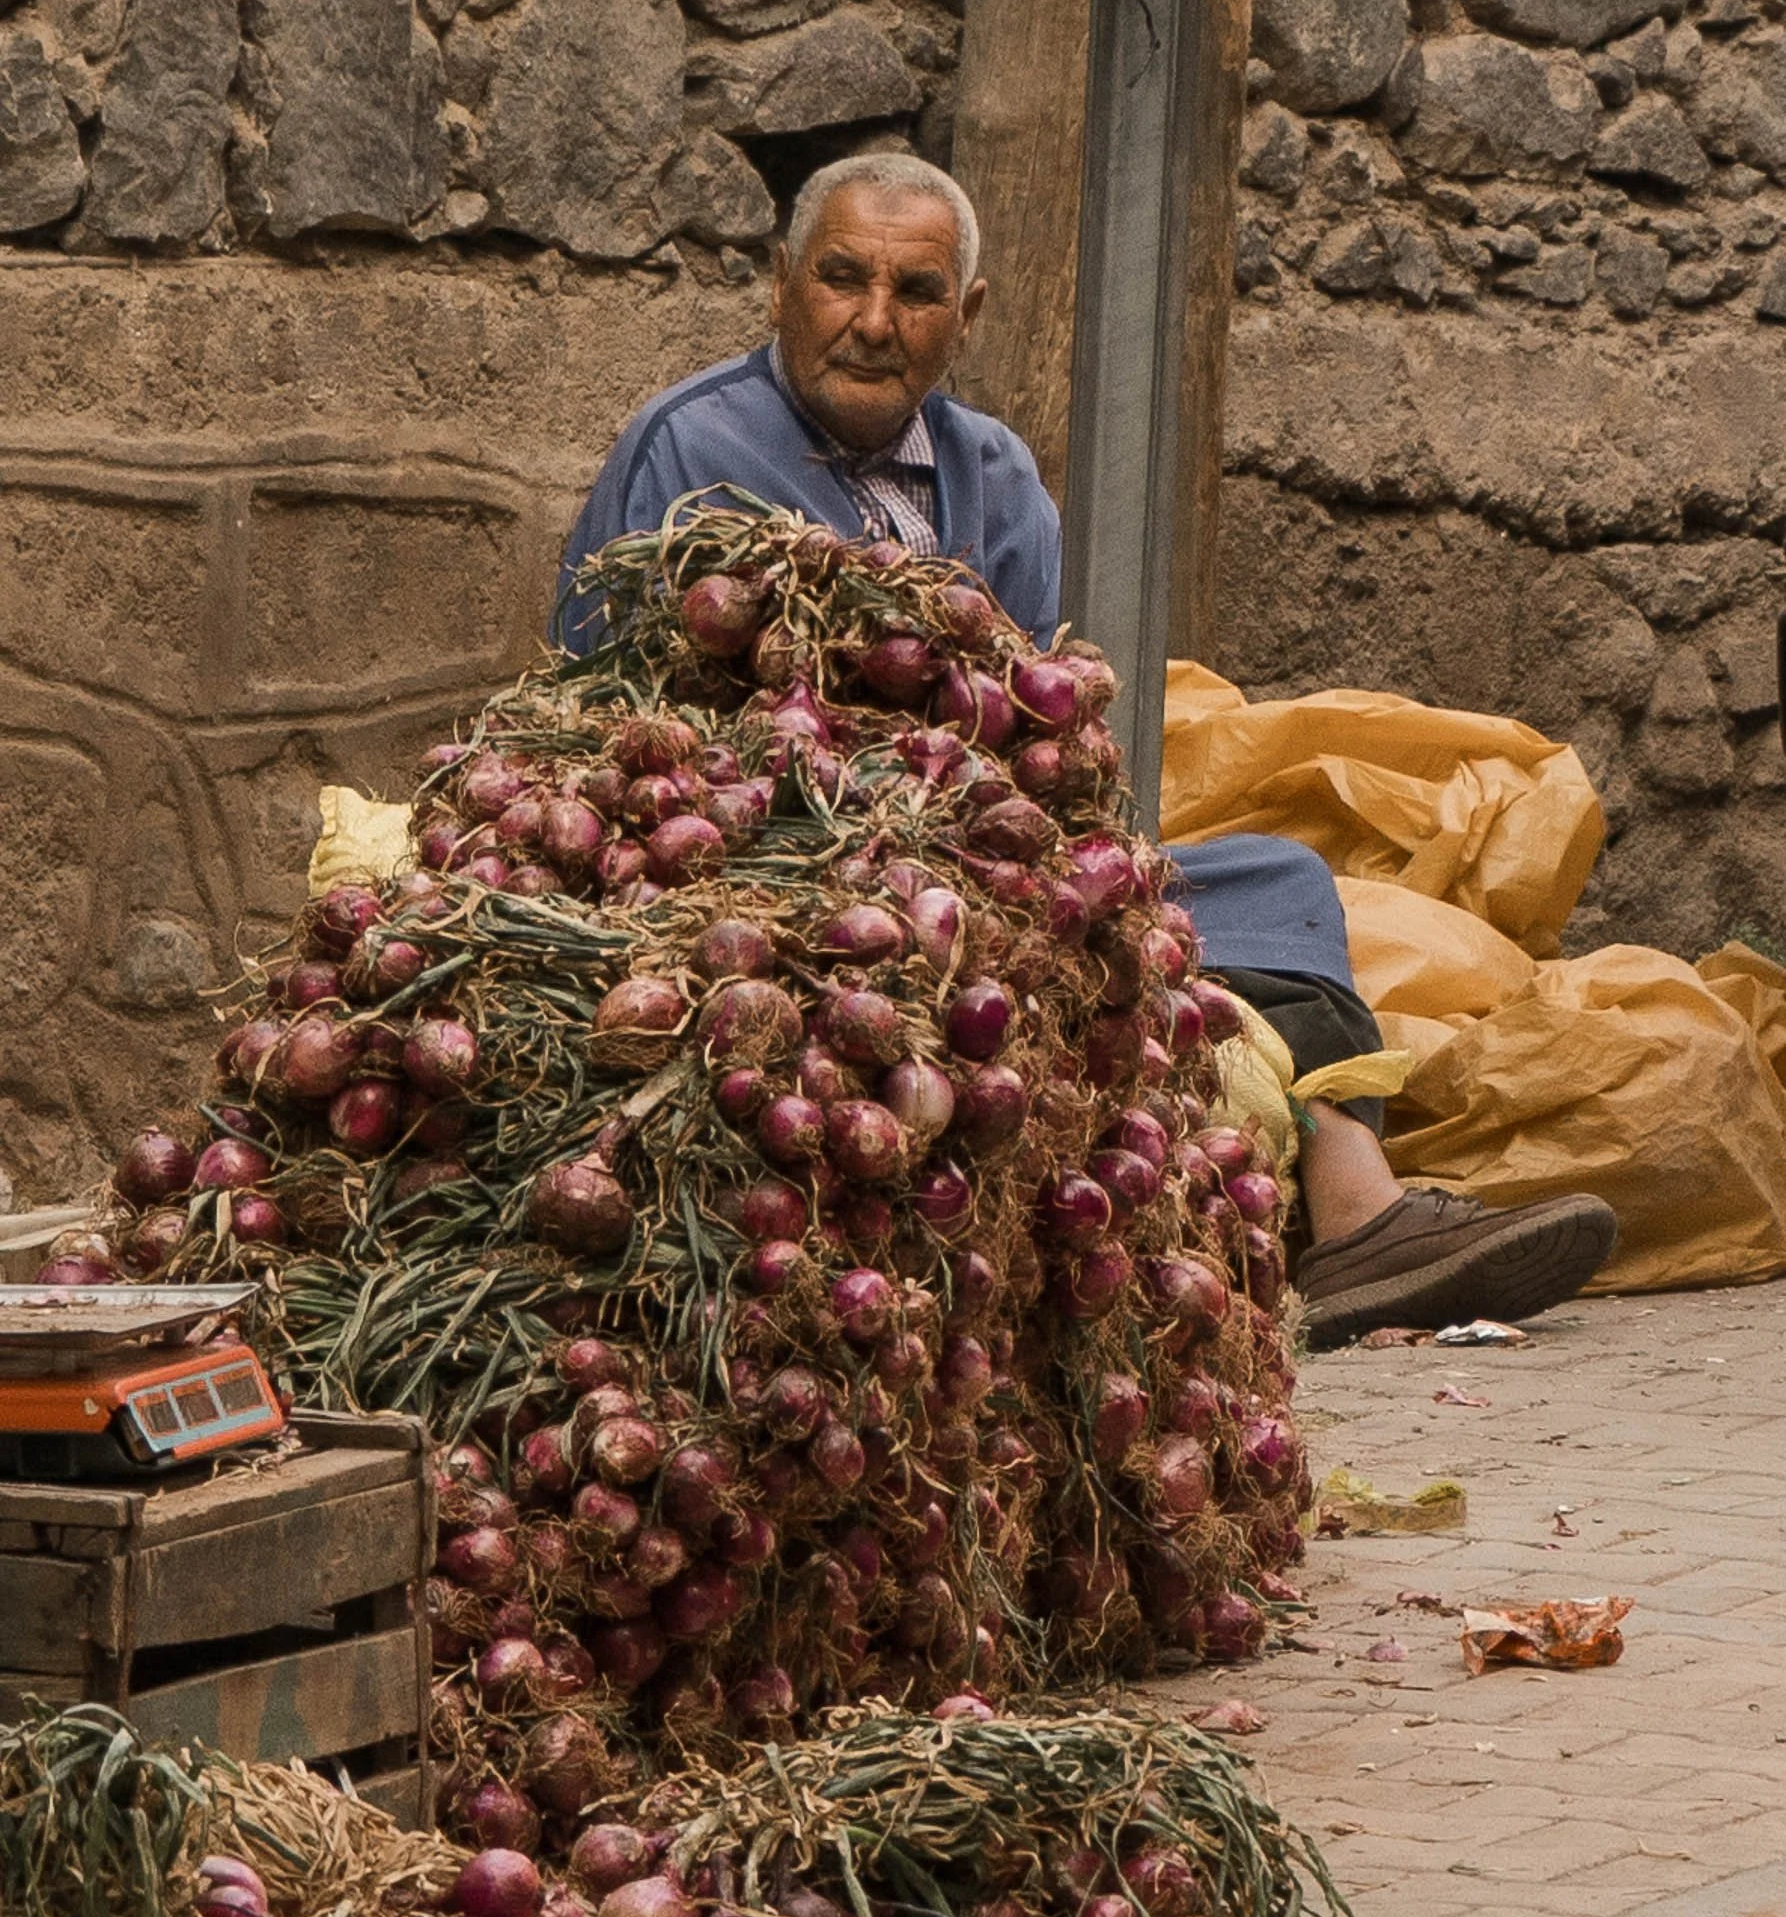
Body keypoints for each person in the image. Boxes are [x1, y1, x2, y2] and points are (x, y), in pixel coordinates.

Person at [557, 153, 1618, 1346]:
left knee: (1275, 879)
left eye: (914, 292)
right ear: (780, 287)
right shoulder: (694, 446)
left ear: (966, 314)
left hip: (979, 840)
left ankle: (1356, 1212)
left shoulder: (993, 472)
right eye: (840, 279)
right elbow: (616, 708)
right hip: (785, 852)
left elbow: (1039, 712)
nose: (870, 322)